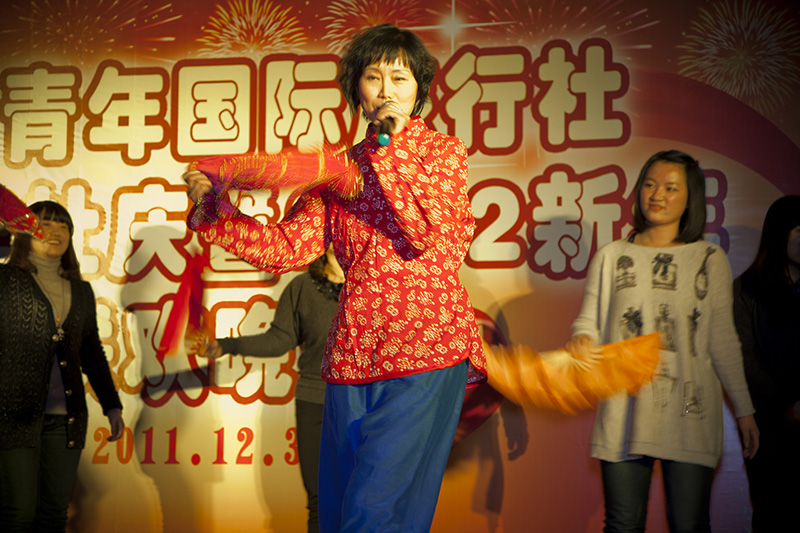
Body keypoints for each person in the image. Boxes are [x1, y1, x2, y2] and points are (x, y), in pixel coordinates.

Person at [183, 24, 486, 533]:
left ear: (419, 91)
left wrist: (388, 152)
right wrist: (214, 207)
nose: (386, 90)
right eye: (373, 77)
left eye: (400, 78)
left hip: (426, 347)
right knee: (341, 509)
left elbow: (427, 234)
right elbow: (284, 250)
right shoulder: (337, 171)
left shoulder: (443, 154)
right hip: (353, 353)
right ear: (356, 90)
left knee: (376, 509)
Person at [568, 150, 759, 532]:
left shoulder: (708, 258)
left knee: (689, 524)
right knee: (622, 524)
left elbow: (722, 339)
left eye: (671, 188)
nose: (657, 195)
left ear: (691, 198)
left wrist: (744, 410)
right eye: (650, 184)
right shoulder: (612, 255)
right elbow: (588, 320)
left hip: (691, 410)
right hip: (623, 407)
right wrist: (583, 339)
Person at [0, 200, 125, 531]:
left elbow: (92, 353)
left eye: (63, 226)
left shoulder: (81, 290)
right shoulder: (5, 279)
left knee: (54, 515)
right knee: (18, 514)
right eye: (44, 224)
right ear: (25, 231)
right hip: (12, 416)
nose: (55, 232)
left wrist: (112, 406)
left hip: (66, 419)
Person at [204, 248, 344, 532]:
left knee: (359, 497)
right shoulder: (302, 286)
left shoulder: (371, 284)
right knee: (319, 499)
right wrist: (227, 345)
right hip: (313, 400)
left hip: (361, 401)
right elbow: (281, 339)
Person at [733, 195, 800, 532]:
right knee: (773, 513)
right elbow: (743, 358)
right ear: (779, 233)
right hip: (767, 427)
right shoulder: (747, 288)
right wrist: (787, 404)